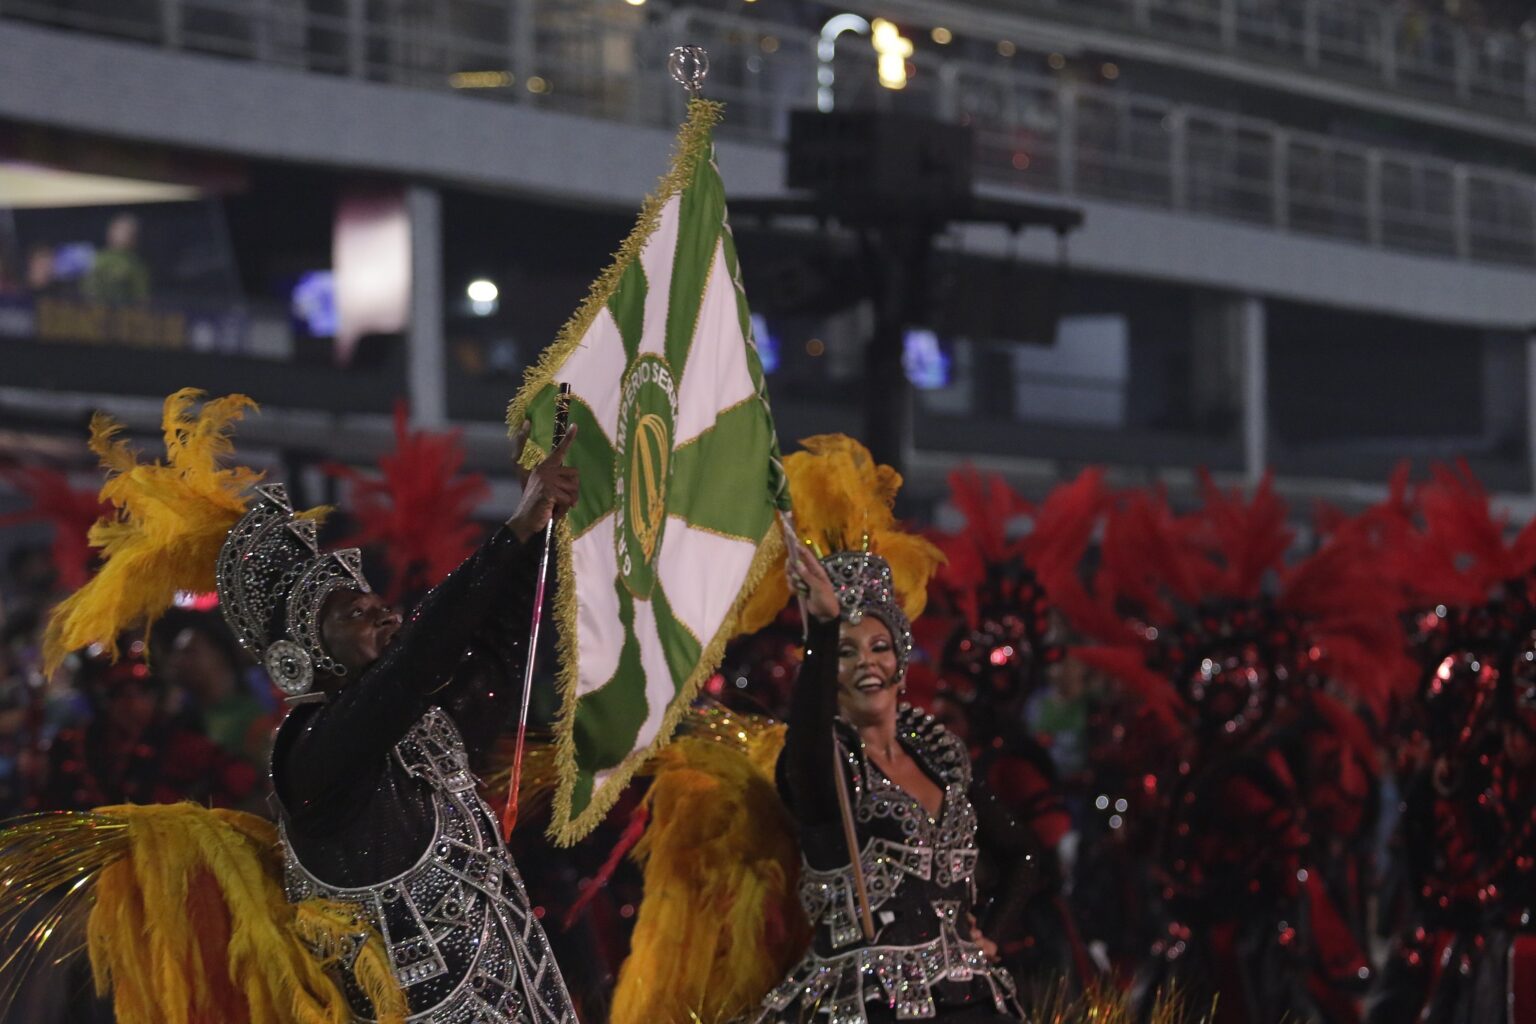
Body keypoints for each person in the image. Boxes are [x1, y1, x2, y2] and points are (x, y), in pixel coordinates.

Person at [33, 389, 583, 1023]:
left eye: (377, 602)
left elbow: (499, 638)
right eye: (355, 612)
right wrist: (510, 529)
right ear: (302, 656)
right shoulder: (313, 755)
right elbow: (415, 666)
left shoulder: (427, 724)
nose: (384, 608)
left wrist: (539, 522)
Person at [752, 529, 1031, 1022]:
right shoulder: (826, 766)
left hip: (972, 1001)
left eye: (879, 646)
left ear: (901, 663)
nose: (867, 663)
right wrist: (821, 627)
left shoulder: (941, 760)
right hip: (867, 1005)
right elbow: (809, 737)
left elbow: (1025, 857)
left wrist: (991, 933)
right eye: (845, 651)